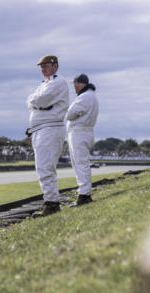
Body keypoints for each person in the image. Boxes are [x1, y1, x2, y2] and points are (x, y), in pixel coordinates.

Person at [26, 55, 69, 217]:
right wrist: (35, 102)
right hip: (41, 128)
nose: (43, 69)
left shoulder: (59, 82)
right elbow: (31, 101)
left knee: (45, 167)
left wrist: (35, 102)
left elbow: (41, 100)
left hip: (50, 128)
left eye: (46, 66)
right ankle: (51, 200)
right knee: (42, 166)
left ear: (55, 66)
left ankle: (51, 203)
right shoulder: (44, 84)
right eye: (41, 67)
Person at [66, 73, 99, 206]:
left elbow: (69, 114)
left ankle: (84, 195)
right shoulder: (91, 95)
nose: (74, 87)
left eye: (75, 84)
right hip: (85, 131)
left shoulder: (85, 97)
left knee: (80, 164)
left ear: (78, 84)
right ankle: (84, 193)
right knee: (81, 163)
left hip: (79, 132)